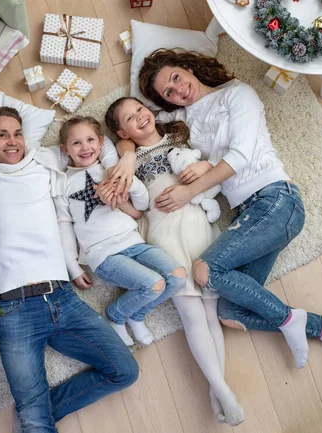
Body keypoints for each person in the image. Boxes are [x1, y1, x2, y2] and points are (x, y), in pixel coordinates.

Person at [107, 48, 322, 373]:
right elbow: (140, 131)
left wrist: (190, 191)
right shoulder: (183, 120)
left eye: (176, 78)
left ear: (188, 67)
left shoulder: (238, 94)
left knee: (206, 271)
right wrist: (126, 155)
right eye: (168, 92)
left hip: (277, 200)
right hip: (248, 216)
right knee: (230, 314)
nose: (178, 90)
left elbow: (238, 156)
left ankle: (290, 319)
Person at [0, 87, 139, 433]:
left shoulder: (44, 161)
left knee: (125, 371)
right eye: (2, 135)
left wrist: (126, 158)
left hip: (63, 298)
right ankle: (34, 416)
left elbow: (96, 143)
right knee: (34, 417)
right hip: (14, 310)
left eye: (18, 133)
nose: (13, 141)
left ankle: (36, 414)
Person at [104, 98, 243, 425]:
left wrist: (207, 167)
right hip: (163, 233)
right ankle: (224, 392)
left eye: (141, 110)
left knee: (211, 310)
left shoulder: (180, 140)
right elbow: (136, 208)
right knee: (192, 314)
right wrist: (124, 159)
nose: (140, 117)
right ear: (122, 131)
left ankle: (217, 391)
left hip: (198, 226)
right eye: (130, 118)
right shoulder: (129, 158)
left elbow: (213, 165)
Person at [54, 116, 187, 347]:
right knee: (154, 284)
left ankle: (135, 315)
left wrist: (126, 183)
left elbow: (143, 205)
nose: (85, 147)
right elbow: (64, 227)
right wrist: (73, 267)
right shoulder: (62, 183)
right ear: (65, 150)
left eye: (90, 140)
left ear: (100, 142)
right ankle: (115, 315)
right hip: (104, 254)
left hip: (135, 243)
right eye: (76, 143)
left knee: (178, 277)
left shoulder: (112, 169)